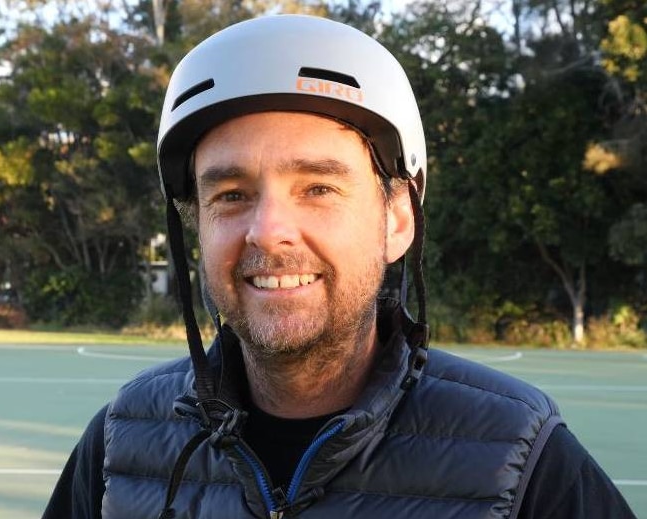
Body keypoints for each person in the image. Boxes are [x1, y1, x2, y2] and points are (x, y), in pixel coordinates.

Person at [43, 15, 636, 519]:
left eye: (319, 187)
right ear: (195, 223)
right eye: (230, 194)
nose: (269, 230)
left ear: (397, 220)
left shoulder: (520, 458)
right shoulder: (121, 446)